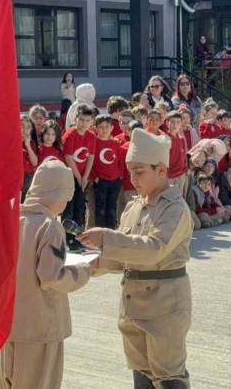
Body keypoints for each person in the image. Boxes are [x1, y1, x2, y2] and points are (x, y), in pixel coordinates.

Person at [78, 128, 194, 388]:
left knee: (168, 375)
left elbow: (154, 248)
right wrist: (89, 263)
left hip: (164, 304)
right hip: (133, 303)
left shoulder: (174, 207)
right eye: (130, 171)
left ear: (161, 170)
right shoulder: (134, 207)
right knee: (141, 373)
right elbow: (124, 256)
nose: (133, 178)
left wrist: (107, 238)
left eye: (139, 171)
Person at [0, 160, 92, 389]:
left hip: (9, 324)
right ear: (59, 194)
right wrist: (85, 270)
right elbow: (52, 276)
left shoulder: (11, 219)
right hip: (41, 326)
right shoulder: (49, 226)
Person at [62, 105, 96, 250]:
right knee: (69, 209)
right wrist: (78, 177)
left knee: (80, 209)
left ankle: (78, 240)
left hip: (83, 178)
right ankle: (68, 240)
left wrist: (86, 176)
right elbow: (69, 158)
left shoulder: (91, 136)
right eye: (81, 120)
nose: (83, 123)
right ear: (76, 119)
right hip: (70, 176)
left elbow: (91, 157)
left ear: (91, 122)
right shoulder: (69, 135)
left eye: (87, 120)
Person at [92, 114, 122, 229]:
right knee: (100, 208)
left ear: (112, 128)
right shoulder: (94, 142)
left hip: (114, 180)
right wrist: (95, 177)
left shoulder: (115, 143)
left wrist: (119, 176)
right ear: (96, 128)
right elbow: (90, 162)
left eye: (107, 127)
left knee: (112, 208)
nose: (104, 130)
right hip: (100, 181)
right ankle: (99, 232)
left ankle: (111, 231)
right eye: (101, 127)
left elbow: (119, 161)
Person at [21, 115, 39, 202]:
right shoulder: (13, 142)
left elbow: (35, 162)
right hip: (18, 177)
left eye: (28, 127)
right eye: (22, 126)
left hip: (29, 177)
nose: (24, 130)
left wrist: (27, 145)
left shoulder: (31, 143)